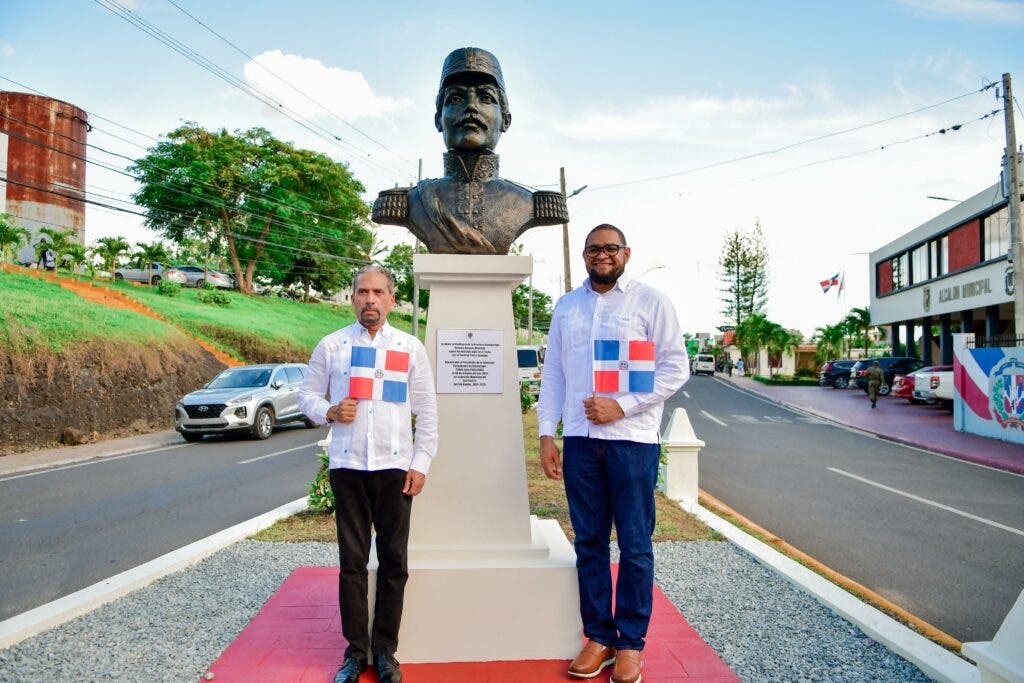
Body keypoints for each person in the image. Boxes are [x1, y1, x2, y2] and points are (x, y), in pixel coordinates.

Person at [538, 224, 689, 683]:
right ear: (583, 255)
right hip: (582, 443)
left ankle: (630, 644)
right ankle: (599, 637)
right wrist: (548, 434)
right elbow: (555, 378)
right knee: (589, 544)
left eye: (610, 248)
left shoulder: (651, 301)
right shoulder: (567, 306)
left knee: (636, 546)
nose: (601, 255)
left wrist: (620, 405)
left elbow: (675, 367)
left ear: (626, 252)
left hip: (633, 442)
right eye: (593, 249)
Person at [299, 265, 438, 683]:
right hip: (348, 467)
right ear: (352, 297)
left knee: (395, 563)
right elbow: (305, 394)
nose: (370, 299)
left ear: (392, 300)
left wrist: (421, 463)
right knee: (352, 564)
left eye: (379, 292)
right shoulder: (333, 345)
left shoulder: (410, 347)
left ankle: (386, 652)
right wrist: (329, 410)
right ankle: (355, 653)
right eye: (363, 291)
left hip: (395, 469)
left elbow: (427, 412)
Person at [372, 47, 567, 254]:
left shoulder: (531, 204)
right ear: (438, 119)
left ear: (506, 120)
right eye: (456, 98)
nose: (471, 107)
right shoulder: (408, 203)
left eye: (486, 97)